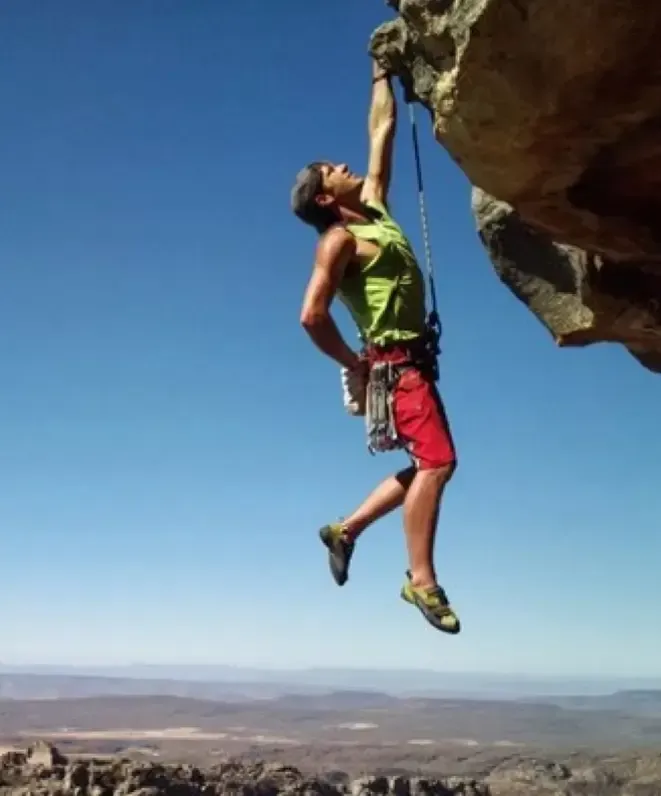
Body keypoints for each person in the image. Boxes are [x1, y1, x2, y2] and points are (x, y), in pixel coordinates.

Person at [289, 57, 460, 634]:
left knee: (429, 461)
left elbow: (381, 133)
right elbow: (312, 315)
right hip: (396, 367)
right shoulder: (339, 241)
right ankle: (421, 580)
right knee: (438, 463)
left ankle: (346, 530)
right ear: (322, 198)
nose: (344, 166)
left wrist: (378, 74)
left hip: (412, 365)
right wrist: (354, 361)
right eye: (331, 170)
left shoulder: (376, 212)